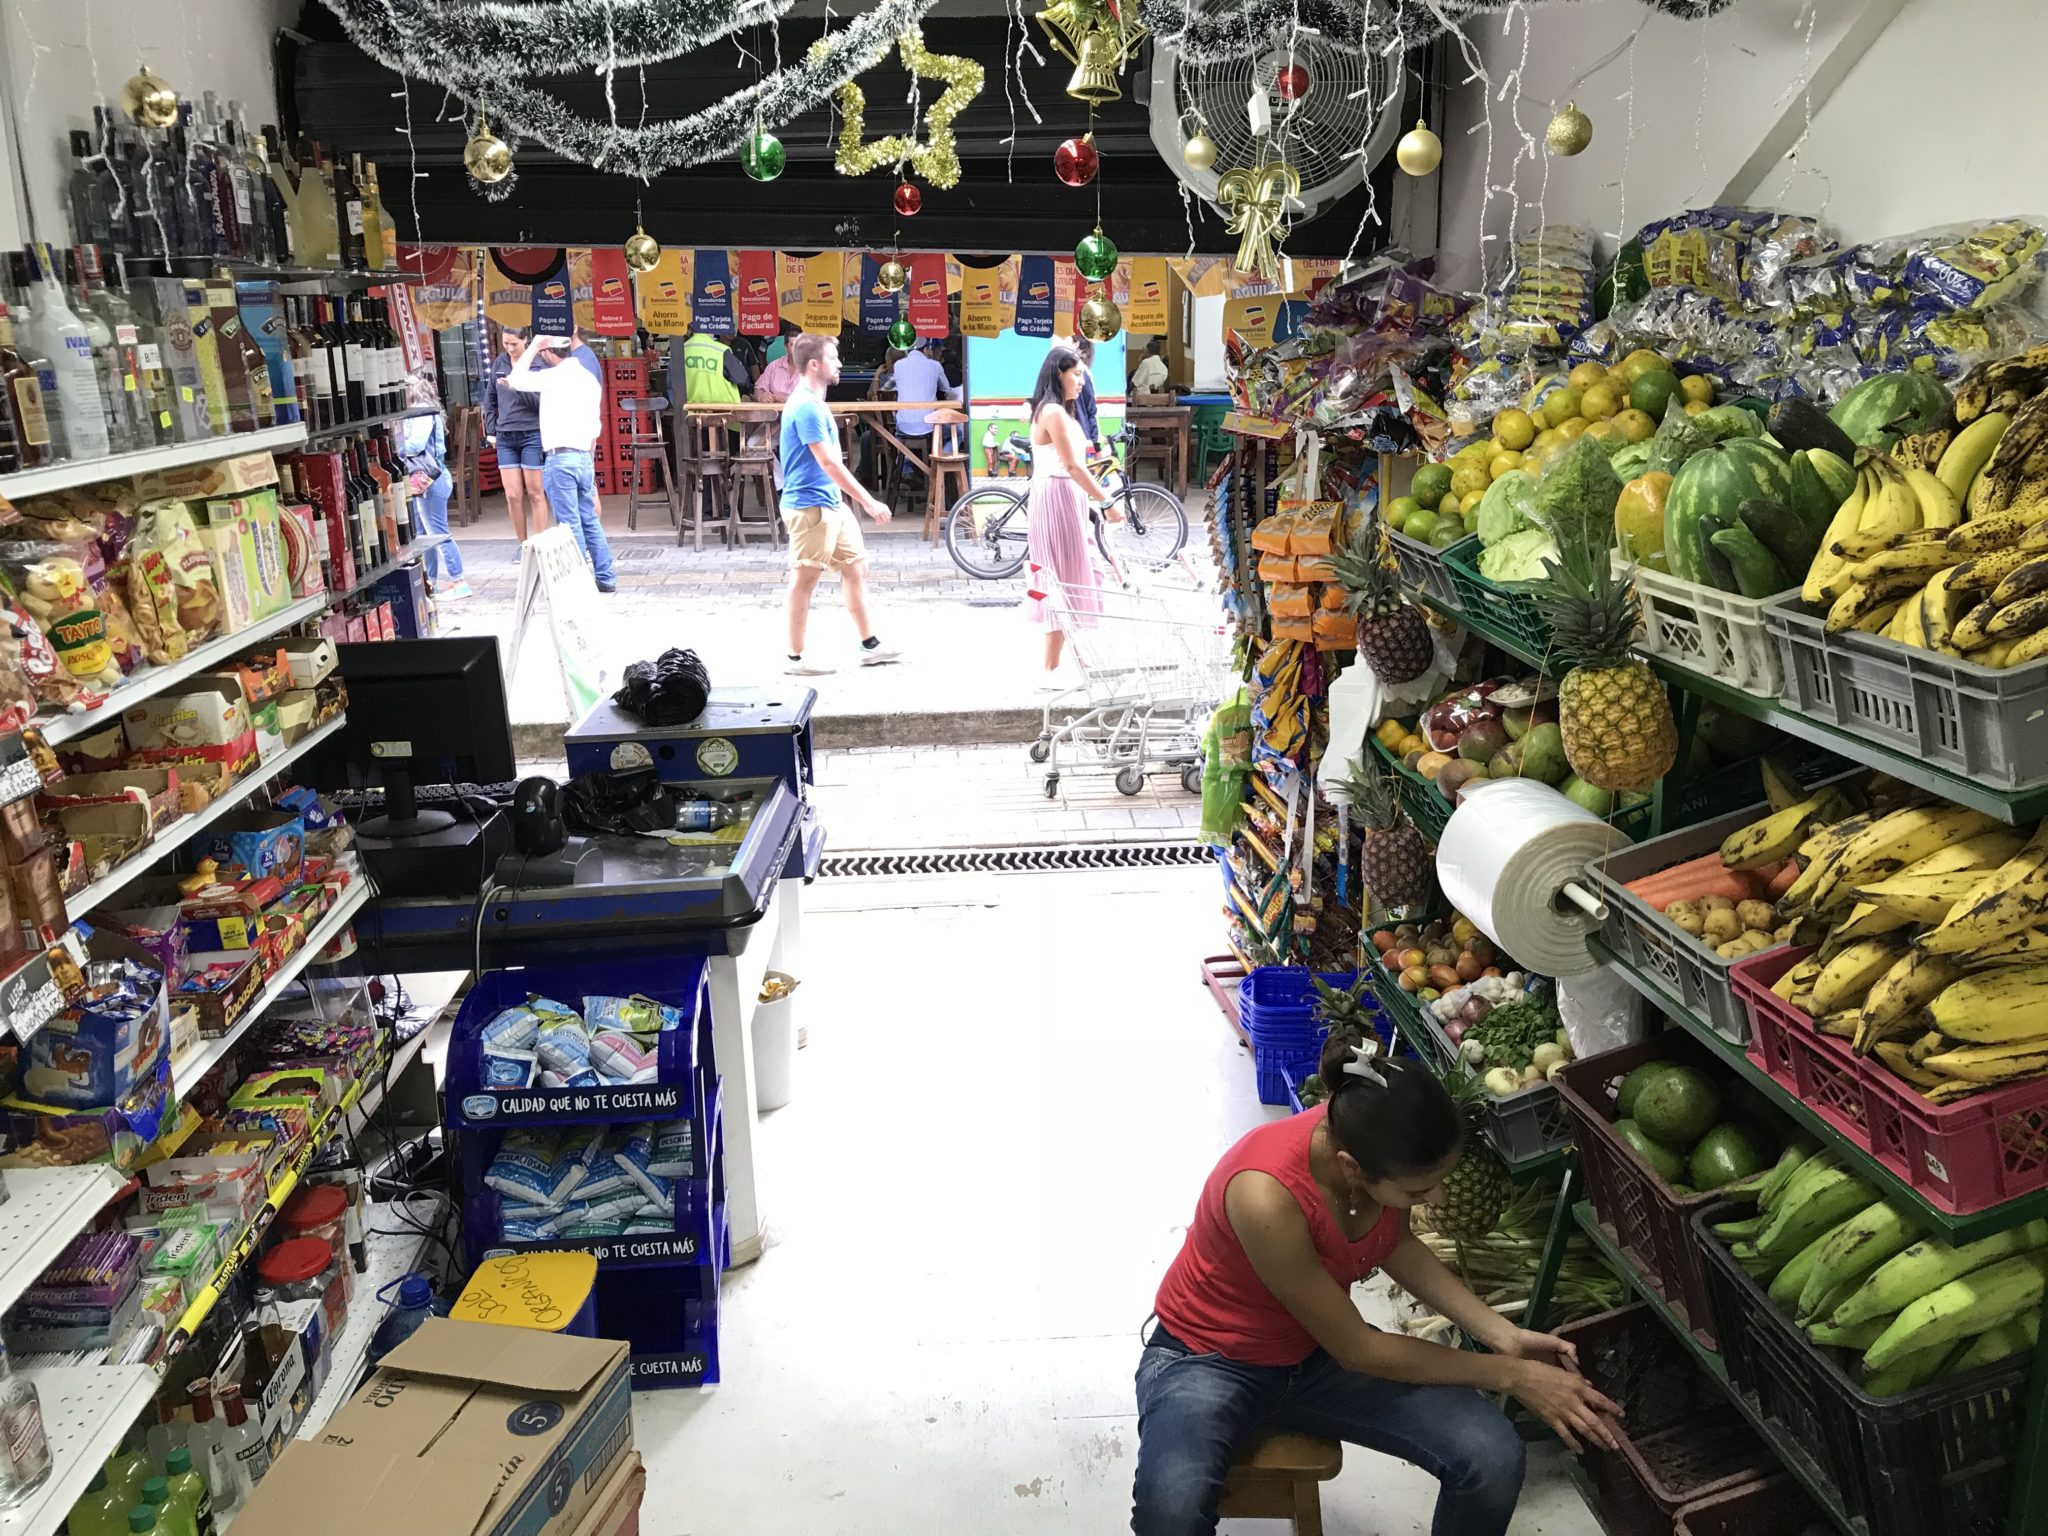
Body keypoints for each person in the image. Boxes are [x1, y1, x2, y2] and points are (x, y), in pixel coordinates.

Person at [1132, 1034, 1622, 1536]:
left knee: (1490, 1455)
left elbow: (1395, 1244)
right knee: (1170, 1513)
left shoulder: (1375, 1144)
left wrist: (1504, 1335)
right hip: (1210, 1359)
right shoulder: (1264, 1194)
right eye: (1416, 1189)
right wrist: (1511, 1375)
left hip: (1312, 1353)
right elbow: (1360, 1349)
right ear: (1351, 1168)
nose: (1432, 1196)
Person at [778, 333, 900, 676]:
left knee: (855, 567)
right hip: (810, 507)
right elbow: (829, 463)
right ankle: (795, 658)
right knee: (804, 580)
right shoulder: (805, 406)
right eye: (834, 358)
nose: (840, 364)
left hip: (830, 503)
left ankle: (870, 645)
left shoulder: (812, 402)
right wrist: (869, 501)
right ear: (814, 364)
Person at [1023, 345, 1116, 683]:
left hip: (1068, 496)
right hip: (1057, 496)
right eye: (1076, 374)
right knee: (1058, 580)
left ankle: (1077, 662)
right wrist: (1106, 501)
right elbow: (1073, 466)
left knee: (1077, 574)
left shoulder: (1061, 412)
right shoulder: (1052, 414)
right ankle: (1049, 670)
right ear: (1057, 374)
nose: (1081, 380)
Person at [507, 328, 618, 594]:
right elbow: (596, 424)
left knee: (569, 524)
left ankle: (577, 583)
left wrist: (532, 346)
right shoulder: (587, 378)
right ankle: (606, 576)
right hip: (583, 457)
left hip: (560, 457)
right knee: (589, 519)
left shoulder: (553, 377)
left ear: (548, 353)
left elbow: (516, 378)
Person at [398, 370, 468, 599]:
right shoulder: (424, 411)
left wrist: (395, 446)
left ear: (411, 390)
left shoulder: (421, 413)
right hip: (427, 480)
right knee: (422, 534)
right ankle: (431, 581)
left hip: (430, 480)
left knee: (438, 532)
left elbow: (416, 445)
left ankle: (459, 581)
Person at [483, 326, 547, 541]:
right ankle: (523, 544)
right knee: (512, 495)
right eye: (506, 343)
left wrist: (517, 386)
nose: (510, 348)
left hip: (532, 432)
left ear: (525, 341)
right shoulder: (500, 362)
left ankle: (540, 544)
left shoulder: (537, 364)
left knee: (536, 493)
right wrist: (490, 430)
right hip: (505, 435)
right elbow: (490, 398)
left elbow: (542, 403)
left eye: (514, 344)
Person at [674, 326, 750, 406]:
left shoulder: (680, 351)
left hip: (689, 412)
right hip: (723, 411)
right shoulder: (721, 350)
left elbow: (671, 385)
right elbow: (742, 379)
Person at [753, 324, 801, 402]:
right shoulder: (773, 366)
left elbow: (817, 398)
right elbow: (758, 388)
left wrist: (790, 398)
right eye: (792, 345)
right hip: (775, 413)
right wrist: (762, 396)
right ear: (786, 347)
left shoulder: (811, 369)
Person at [1073, 336, 1101, 450]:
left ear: (1076, 344)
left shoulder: (1083, 373)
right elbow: (1091, 410)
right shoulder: (1085, 372)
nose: (1081, 382)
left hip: (1081, 438)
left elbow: (1091, 410)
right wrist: (1096, 445)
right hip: (1082, 438)